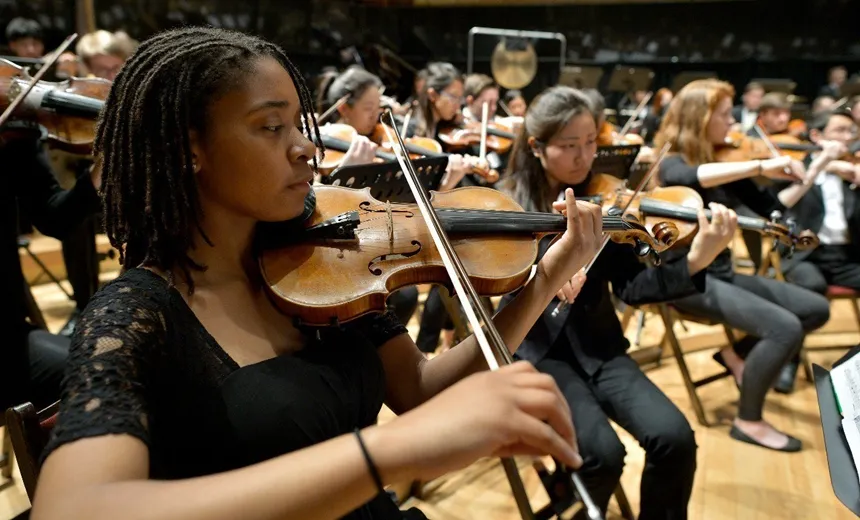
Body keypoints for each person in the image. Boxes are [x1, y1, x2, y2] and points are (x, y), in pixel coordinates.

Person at [33, 26, 603, 520]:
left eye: (298, 124)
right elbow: (74, 509)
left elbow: (421, 389)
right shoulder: (134, 316)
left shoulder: (323, 267)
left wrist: (546, 278)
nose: (306, 147)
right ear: (190, 150)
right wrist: (393, 450)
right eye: (271, 127)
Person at [498, 85, 737, 519]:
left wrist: (696, 260)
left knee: (675, 439)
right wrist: (541, 277)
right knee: (602, 456)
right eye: (570, 145)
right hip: (536, 354)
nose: (585, 157)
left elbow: (633, 287)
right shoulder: (504, 203)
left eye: (592, 142)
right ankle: (572, 498)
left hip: (601, 348)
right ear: (536, 146)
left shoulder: (603, 201)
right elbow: (486, 291)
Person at [655, 79, 832, 443]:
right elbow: (688, 177)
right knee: (785, 328)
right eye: (724, 115)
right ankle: (748, 421)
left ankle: (734, 354)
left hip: (722, 273)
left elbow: (773, 207)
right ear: (700, 118)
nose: (733, 122)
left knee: (815, 308)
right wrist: (759, 165)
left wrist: (807, 175)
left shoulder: (724, 160)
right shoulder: (672, 162)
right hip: (687, 280)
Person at [779, 108, 859, 295]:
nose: (848, 137)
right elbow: (780, 203)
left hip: (845, 256)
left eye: (851, 131)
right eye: (840, 130)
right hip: (804, 255)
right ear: (816, 136)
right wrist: (824, 164)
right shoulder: (794, 169)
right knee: (812, 286)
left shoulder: (852, 171)